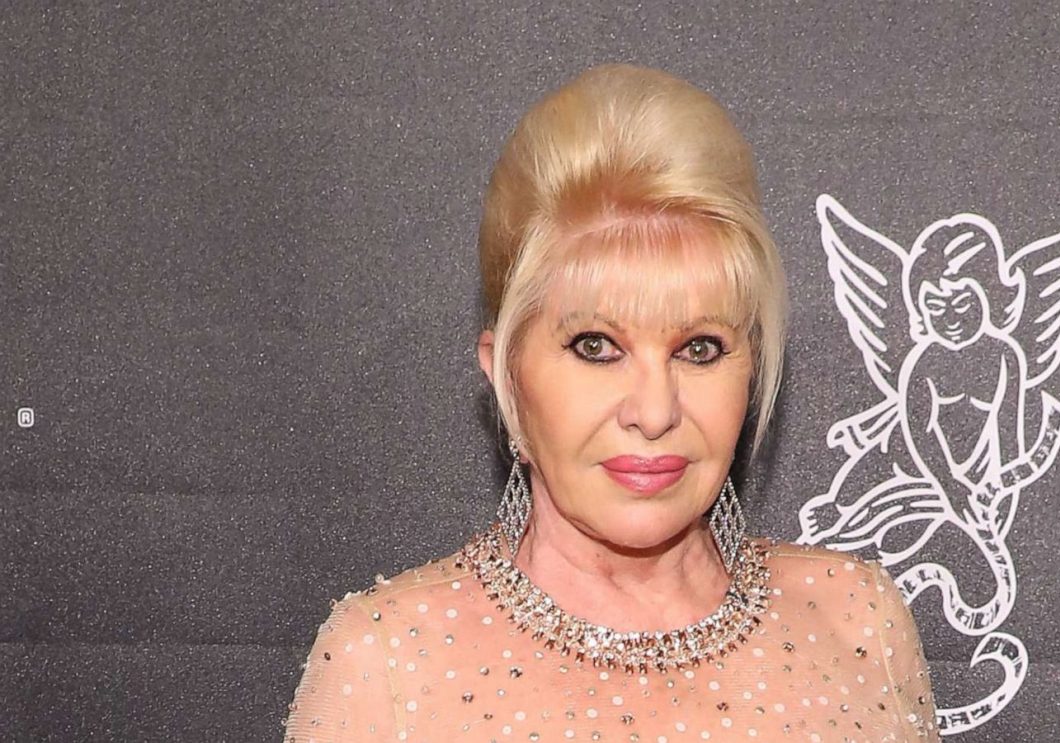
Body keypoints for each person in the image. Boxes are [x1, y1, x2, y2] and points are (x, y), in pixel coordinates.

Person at [281, 62, 940, 742]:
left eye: (700, 348)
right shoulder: (386, 666)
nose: (654, 413)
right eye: (595, 346)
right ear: (505, 376)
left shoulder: (858, 622)